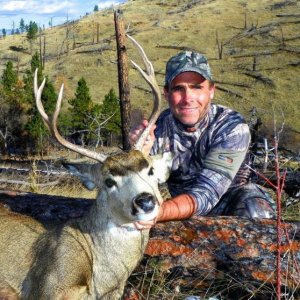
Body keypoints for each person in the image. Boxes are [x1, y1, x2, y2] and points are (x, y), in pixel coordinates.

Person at [130, 51, 275, 230]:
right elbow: (137, 186)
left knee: (257, 209)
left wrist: (159, 213)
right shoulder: (157, 129)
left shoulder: (231, 126)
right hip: (179, 213)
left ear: (211, 91)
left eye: (196, 87)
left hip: (229, 207)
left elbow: (207, 193)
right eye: (178, 88)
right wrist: (141, 151)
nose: (188, 98)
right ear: (166, 93)